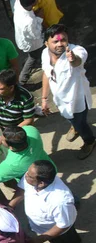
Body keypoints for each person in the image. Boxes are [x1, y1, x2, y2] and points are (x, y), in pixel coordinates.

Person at [11, 160, 80, 243]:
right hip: (44, 225)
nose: (25, 176)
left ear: (41, 183)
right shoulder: (32, 178)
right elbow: (21, 190)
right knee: (71, 236)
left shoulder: (60, 201)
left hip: (55, 231)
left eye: (29, 176)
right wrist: (10, 206)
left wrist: (41, 238)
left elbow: (63, 225)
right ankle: (75, 241)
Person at [41, 24, 95, 159]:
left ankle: (90, 141)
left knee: (81, 123)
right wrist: (44, 99)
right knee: (70, 119)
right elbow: (46, 74)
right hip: (60, 101)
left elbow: (77, 61)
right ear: (46, 43)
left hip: (77, 101)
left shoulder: (77, 50)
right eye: (55, 41)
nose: (60, 44)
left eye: (63, 40)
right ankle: (75, 127)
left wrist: (73, 59)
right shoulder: (44, 53)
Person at [14, 0, 45, 86]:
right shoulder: (29, 21)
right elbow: (36, 34)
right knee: (32, 58)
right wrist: (39, 18)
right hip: (32, 43)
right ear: (34, 3)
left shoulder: (18, 4)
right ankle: (22, 80)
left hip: (23, 38)